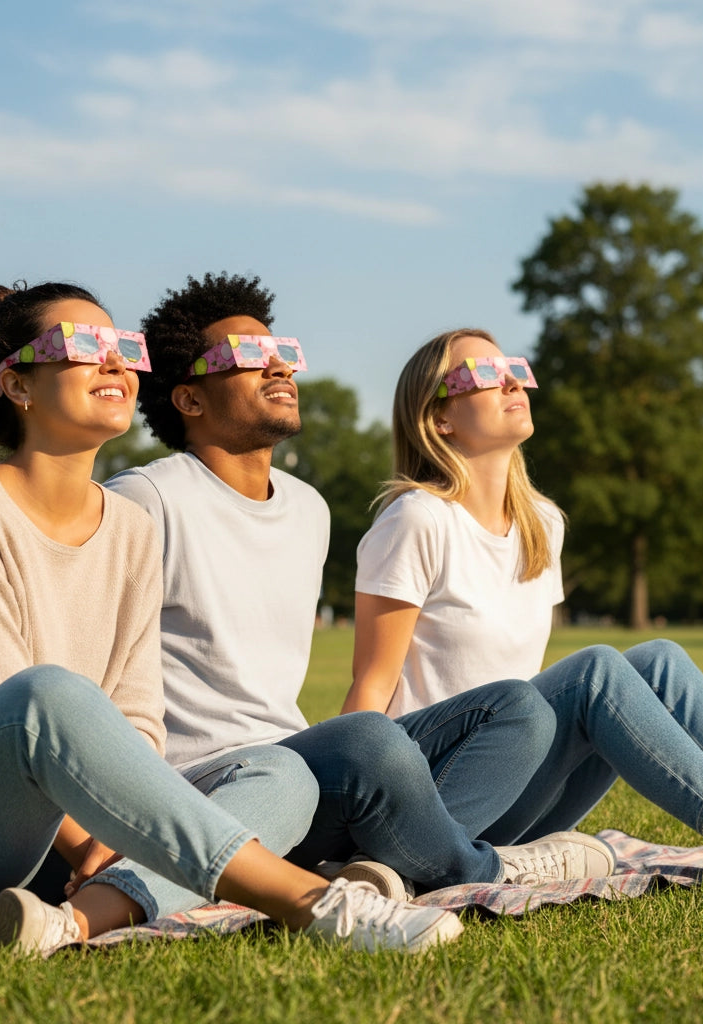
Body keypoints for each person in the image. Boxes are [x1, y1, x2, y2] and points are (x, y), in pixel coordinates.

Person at [0, 281, 464, 957]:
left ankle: (76, 922)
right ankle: (313, 903)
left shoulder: (133, 527)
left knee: (284, 775)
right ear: (17, 385)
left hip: (52, 841)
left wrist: (116, 836)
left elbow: (138, 711)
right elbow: (3, 711)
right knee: (46, 693)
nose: (113, 363)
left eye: (122, 348)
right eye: (83, 346)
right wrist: (108, 839)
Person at [106, 271, 616, 900]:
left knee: (516, 706)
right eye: (249, 357)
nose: (279, 369)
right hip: (202, 784)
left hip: (295, 769)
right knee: (368, 737)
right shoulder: (145, 499)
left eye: (283, 354)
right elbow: (93, 664)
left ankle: (391, 864)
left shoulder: (308, 509)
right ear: (188, 400)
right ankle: (487, 870)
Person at [343, 326, 703, 891]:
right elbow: (371, 690)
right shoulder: (416, 519)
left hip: (520, 792)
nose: (511, 384)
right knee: (595, 671)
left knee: (659, 660)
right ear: (439, 418)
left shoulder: (541, 523)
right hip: (434, 800)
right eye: (483, 376)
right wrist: (356, 823)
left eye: (515, 371)